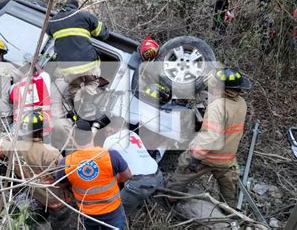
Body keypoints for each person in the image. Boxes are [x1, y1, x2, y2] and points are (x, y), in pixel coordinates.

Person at [167, 68, 252, 208]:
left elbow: (210, 137)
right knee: (229, 192)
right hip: (227, 159)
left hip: (207, 156)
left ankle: (168, 200)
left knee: (179, 178)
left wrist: (194, 158)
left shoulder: (217, 106)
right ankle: (230, 215)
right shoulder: (241, 103)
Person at [0, 110, 76, 229]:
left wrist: (5, 139)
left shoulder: (13, 148)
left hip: (40, 197)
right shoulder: (51, 153)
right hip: (61, 202)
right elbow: (65, 180)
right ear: (42, 130)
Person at [48, 0, 110, 152]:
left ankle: (80, 106)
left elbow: (50, 34)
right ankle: (88, 103)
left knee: (74, 90)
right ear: (76, 8)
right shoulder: (84, 16)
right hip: (88, 66)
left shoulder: (53, 22)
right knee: (91, 84)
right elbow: (103, 34)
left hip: (68, 71)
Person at [56, 122, 132, 230]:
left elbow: (61, 184)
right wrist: (117, 179)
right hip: (112, 210)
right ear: (92, 135)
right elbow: (128, 176)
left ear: (72, 140)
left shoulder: (66, 163)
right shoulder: (111, 155)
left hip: (87, 213)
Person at [103, 116, 164, 216]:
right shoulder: (133, 134)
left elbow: (108, 168)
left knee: (114, 213)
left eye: (107, 131)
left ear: (111, 128)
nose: (106, 134)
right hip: (157, 176)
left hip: (139, 184)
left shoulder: (110, 140)